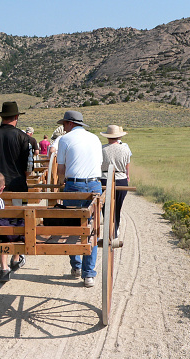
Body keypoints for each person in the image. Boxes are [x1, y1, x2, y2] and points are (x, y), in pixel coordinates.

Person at [56, 111, 103, 288]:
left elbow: (61, 168)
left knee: (73, 227)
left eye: (64, 125)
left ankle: (76, 267)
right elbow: (98, 163)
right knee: (92, 230)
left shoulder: (65, 140)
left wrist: (61, 184)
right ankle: (88, 274)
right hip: (94, 186)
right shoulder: (95, 139)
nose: (64, 128)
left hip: (74, 186)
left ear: (69, 124)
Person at [100, 125, 131, 237]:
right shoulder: (125, 149)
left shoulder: (102, 149)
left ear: (107, 137)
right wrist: (128, 175)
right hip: (121, 178)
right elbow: (127, 165)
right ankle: (116, 227)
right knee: (117, 206)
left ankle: (109, 227)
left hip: (104, 178)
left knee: (105, 205)